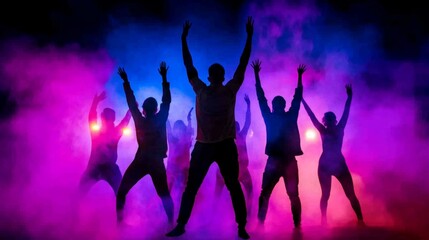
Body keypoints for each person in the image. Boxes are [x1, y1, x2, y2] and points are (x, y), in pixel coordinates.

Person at [166, 17, 254, 239]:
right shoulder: (227, 89)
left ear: (211, 76)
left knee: (199, 187)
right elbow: (243, 64)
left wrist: (184, 39)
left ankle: (183, 225)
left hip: (211, 146)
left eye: (214, 75)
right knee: (228, 186)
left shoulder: (202, 89)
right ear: (221, 77)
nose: (215, 77)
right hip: (215, 146)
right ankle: (240, 227)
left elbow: (189, 65)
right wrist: (249, 37)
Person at [116, 62, 174, 224]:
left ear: (143, 109)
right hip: (155, 163)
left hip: (141, 161)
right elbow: (167, 101)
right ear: (155, 109)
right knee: (164, 196)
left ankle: (119, 225)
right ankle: (171, 224)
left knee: (121, 192)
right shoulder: (160, 118)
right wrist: (164, 78)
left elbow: (131, 102)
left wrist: (126, 82)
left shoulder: (140, 120)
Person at [251, 59, 306, 229]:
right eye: (276, 104)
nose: (275, 106)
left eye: (276, 104)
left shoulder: (284, 116)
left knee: (290, 195)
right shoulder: (282, 116)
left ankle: (296, 225)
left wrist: (299, 77)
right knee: (268, 193)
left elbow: (296, 98)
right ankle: (262, 223)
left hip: (285, 161)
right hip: (277, 161)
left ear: (278, 106)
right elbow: (262, 98)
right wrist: (256, 76)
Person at [301, 84, 364, 226]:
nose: (328, 121)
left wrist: (349, 97)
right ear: (325, 121)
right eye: (327, 119)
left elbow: (346, 112)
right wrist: (302, 100)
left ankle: (360, 220)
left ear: (333, 120)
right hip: (325, 165)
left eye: (330, 119)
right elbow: (311, 116)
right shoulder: (323, 130)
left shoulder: (339, 127)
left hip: (339, 164)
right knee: (325, 195)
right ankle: (324, 221)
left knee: (350, 194)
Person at [78, 91, 131, 197]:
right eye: (106, 118)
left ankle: (124, 212)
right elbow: (125, 120)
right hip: (95, 167)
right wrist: (132, 109)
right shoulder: (103, 133)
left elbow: (92, 117)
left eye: (108, 118)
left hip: (107, 168)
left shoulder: (111, 132)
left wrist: (96, 102)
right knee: (80, 193)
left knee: (121, 195)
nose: (106, 121)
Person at [214, 94, 253, 216]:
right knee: (218, 193)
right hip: (225, 170)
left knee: (250, 191)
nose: (237, 128)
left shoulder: (242, 135)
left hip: (242, 170)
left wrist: (248, 106)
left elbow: (247, 122)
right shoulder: (225, 137)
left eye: (237, 126)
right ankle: (212, 214)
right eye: (234, 126)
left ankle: (249, 213)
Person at [167, 107, 194, 195]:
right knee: (168, 190)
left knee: (183, 191)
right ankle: (163, 207)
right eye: (176, 128)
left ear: (183, 129)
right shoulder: (172, 138)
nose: (178, 130)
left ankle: (182, 207)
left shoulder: (186, 137)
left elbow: (189, 131)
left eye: (180, 128)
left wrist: (189, 119)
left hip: (183, 169)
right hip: (173, 168)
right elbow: (168, 128)